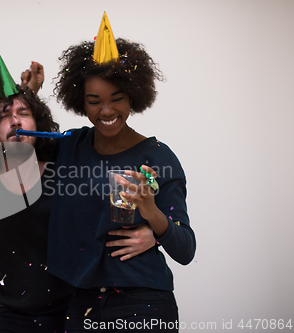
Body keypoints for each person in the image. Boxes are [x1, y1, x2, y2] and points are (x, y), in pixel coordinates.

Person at [0, 52, 157, 333]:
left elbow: (125, 188)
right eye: (4, 117)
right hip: (8, 312)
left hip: (75, 309)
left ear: (39, 125)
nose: (15, 122)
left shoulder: (64, 164)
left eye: (23, 115)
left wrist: (155, 233)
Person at [47, 13, 197, 332]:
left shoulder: (157, 156)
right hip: (79, 304)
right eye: (94, 101)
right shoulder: (70, 145)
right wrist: (25, 96)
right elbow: (10, 150)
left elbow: (186, 249)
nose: (106, 111)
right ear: (79, 102)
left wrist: (153, 217)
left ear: (133, 96)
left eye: (117, 99)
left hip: (142, 302)